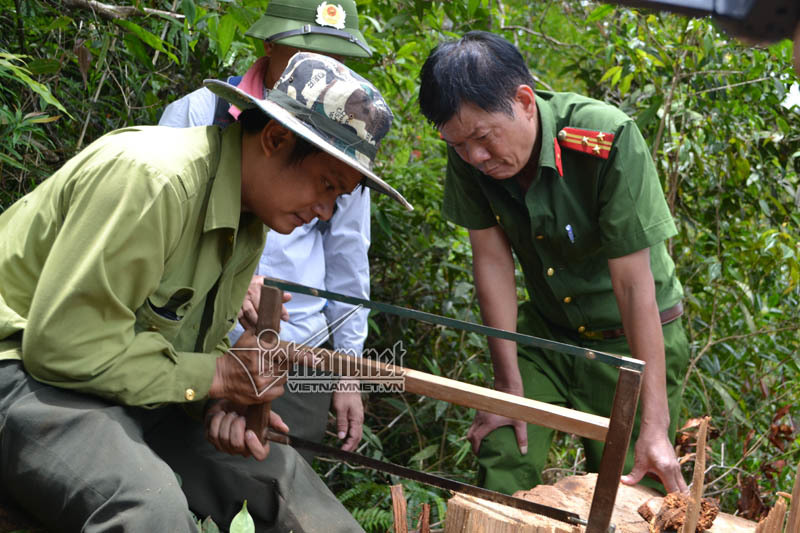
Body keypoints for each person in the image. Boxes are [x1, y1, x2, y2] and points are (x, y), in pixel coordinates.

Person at [0, 52, 409, 532]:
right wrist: (217, 375)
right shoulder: (154, 181)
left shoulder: (250, 220)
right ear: (275, 139)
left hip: (112, 383)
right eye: (325, 184)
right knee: (147, 509)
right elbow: (62, 346)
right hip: (23, 369)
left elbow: (184, 344)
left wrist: (215, 402)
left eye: (338, 198)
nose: (325, 211)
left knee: (288, 491)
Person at [418, 31, 689, 495]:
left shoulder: (606, 138)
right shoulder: (467, 151)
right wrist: (508, 383)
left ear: (524, 100)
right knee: (502, 445)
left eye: (483, 139)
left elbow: (632, 285)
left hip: (633, 343)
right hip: (548, 333)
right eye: (460, 146)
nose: (475, 158)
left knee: (633, 486)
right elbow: (492, 261)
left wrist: (656, 425)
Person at [160, 0, 375, 456]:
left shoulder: (346, 144)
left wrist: (347, 370)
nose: (325, 70)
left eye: (338, 60)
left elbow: (348, 260)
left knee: (270, 480)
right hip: (190, 343)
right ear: (268, 44)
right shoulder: (198, 114)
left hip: (293, 350)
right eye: (307, 53)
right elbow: (161, 228)